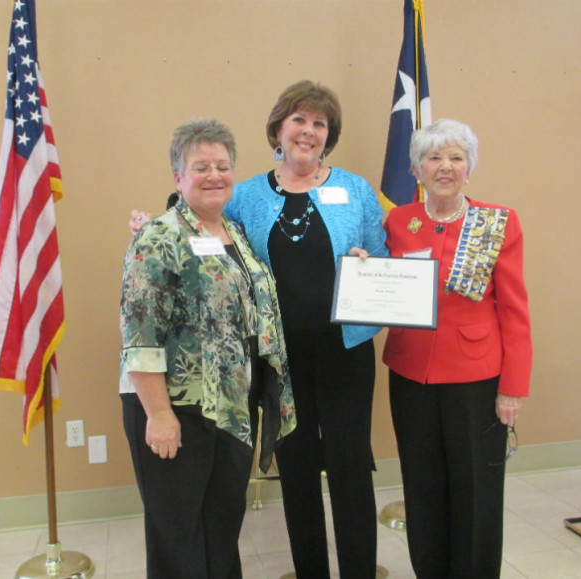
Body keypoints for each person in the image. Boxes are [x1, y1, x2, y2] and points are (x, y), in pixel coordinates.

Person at [130, 80, 388, 579]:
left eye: (319, 123)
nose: (308, 132)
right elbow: (197, 224)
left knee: (352, 470)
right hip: (277, 364)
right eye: (299, 120)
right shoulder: (246, 194)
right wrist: (149, 225)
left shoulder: (355, 189)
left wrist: (369, 262)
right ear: (279, 128)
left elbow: (383, 255)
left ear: (328, 134)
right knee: (295, 473)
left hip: (345, 357)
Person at [120, 118, 296, 579]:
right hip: (177, 408)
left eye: (222, 165)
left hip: (232, 408)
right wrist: (159, 415)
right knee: (179, 537)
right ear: (178, 177)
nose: (214, 174)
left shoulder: (233, 234)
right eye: (201, 166)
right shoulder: (158, 238)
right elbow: (139, 338)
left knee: (221, 530)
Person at [382, 118, 532, 579]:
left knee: (476, 492)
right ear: (416, 169)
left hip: (476, 379)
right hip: (410, 376)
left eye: (455, 157)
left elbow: (514, 310)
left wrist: (513, 388)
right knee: (422, 487)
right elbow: (384, 282)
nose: (444, 166)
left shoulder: (496, 222)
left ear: (469, 167)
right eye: (433, 157)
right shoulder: (399, 220)